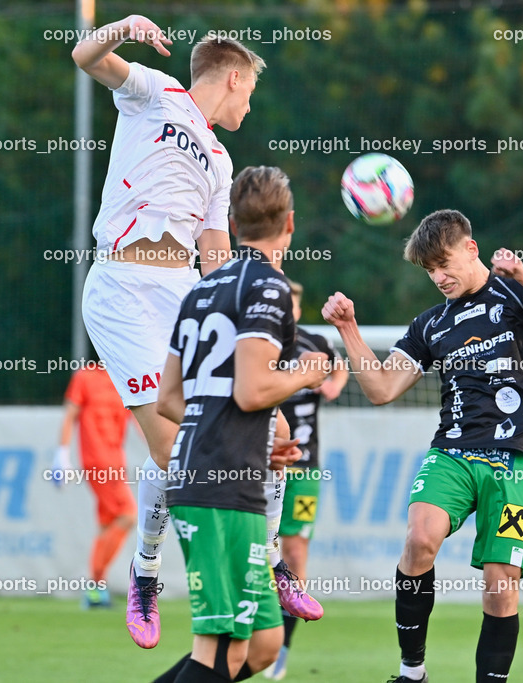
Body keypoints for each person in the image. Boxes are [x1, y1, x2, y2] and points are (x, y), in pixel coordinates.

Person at [72, 15, 319, 648]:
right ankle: (146, 572)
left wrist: (244, 308)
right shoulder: (155, 92)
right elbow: (84, 55)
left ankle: (270, 561)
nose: (248, 105)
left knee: (279, 432)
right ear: (233, 78)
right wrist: (122, 27)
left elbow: (214, 254)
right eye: (249, 93)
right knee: (170, 449)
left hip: (184, 292)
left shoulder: (220, 157)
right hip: (123, 291)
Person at [321, 209, 523, 683]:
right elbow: (382, 389)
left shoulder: (513, 293)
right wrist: (349, 329)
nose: (438, 277)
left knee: (499, 584)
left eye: (443, 264)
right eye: (429, 271)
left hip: (515, 459)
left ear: (471, 248)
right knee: (419, 538)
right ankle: (412, 671)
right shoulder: (431, 325)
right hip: (453, 452)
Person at [154, 165, 330, 682]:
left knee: (262, 643)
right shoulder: (271, 288)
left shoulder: (203, 290)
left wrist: (239, 432)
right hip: (218, 485)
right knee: (217, 646)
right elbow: (252, 390)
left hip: (221, 474)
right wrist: (307, 371)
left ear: (231, 224)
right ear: (290, 224)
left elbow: (168, 399)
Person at [264, 280, 349, 681]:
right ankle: (248, 631)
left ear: (296, 308)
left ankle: (281, 646)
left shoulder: (315, 342)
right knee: (254, 549)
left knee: (295, 554)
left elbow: (341, 366)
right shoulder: (258, 340)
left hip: (304, 467)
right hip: (257, 463)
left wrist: (333, 384)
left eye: (292, 303)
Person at [52, 365, 141, 608]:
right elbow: (70, 413)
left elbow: (141, 421)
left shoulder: (126, 375)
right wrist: (62, 453)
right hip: (99, 461)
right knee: (128, 515)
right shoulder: (86, 376)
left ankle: (95, 590)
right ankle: (94, 584)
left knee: (106, 523)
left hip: (114, 460)